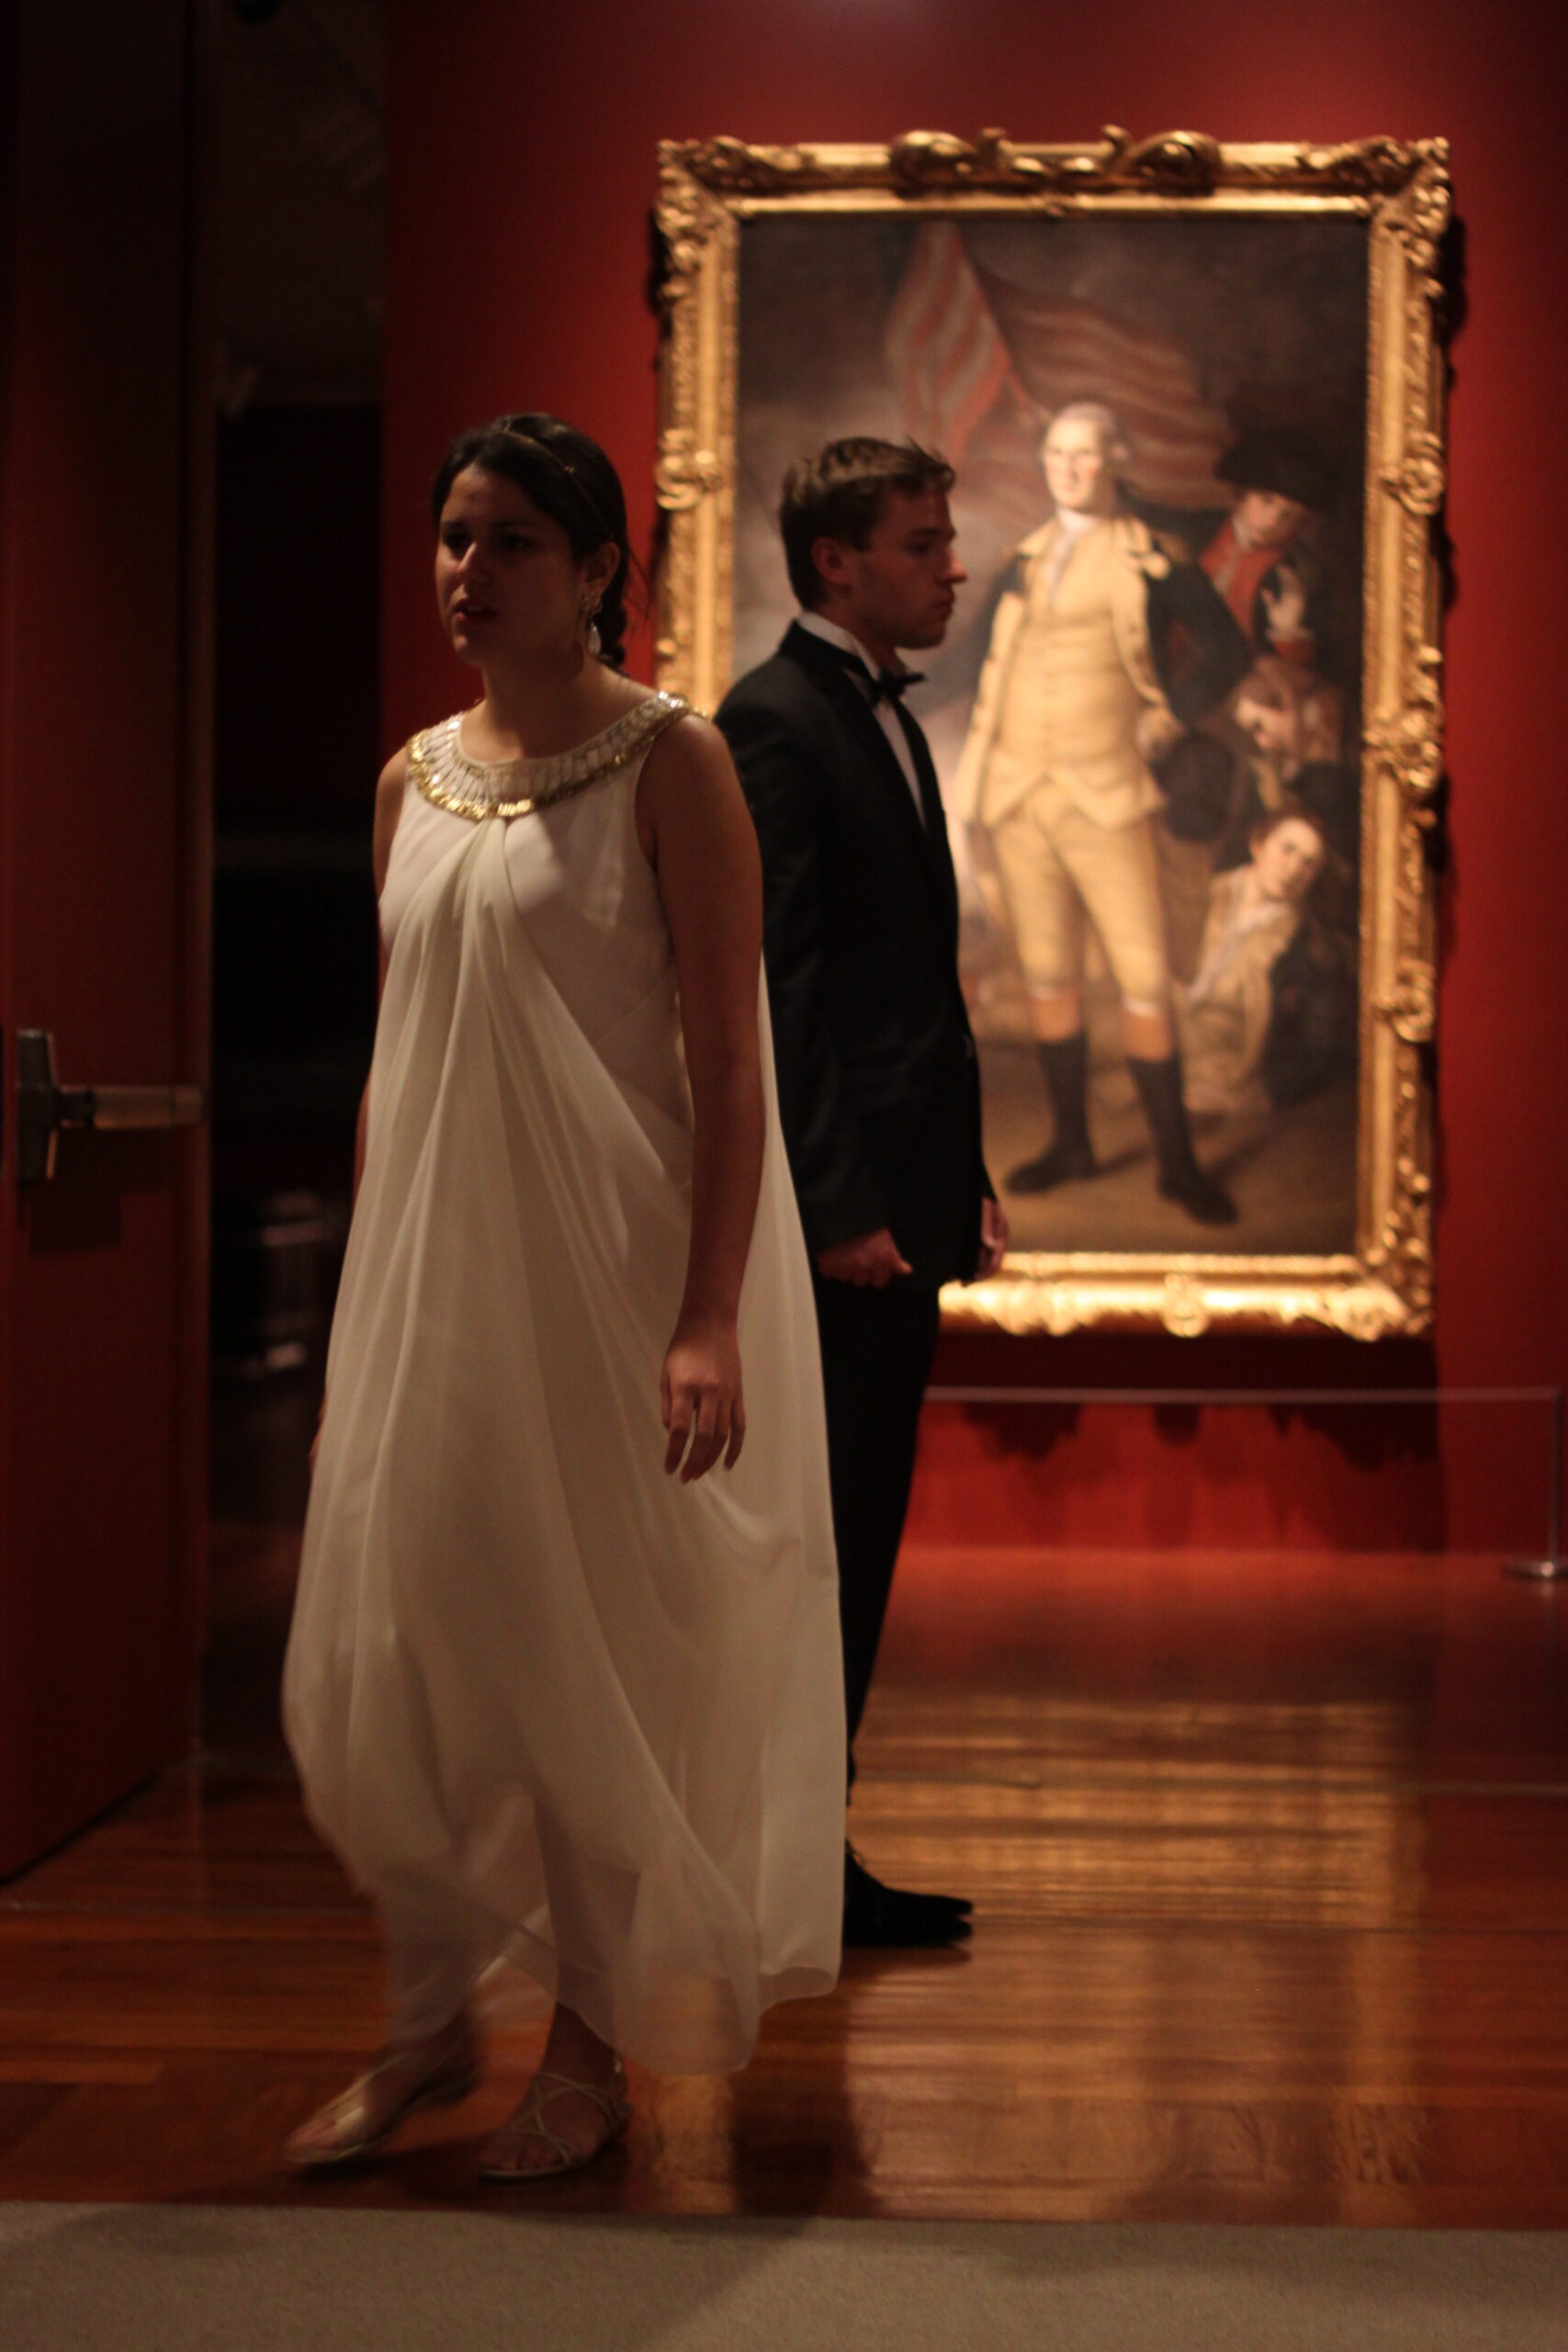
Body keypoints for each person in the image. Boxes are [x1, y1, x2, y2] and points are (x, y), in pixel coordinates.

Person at [281, 414, 844, 2181]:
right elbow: (404, 1059)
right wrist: (375, 1275)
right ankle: (429, 2018)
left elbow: (725, 1062)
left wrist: (703, 1314)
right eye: (454, 536)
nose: (468, 569)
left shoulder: (667, 761)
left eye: (513, 539)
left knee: (590, 1647)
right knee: (412, 1654)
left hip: (610, 1274)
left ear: (598, 569)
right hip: (438, 1278)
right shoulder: (410, 777)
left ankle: (586, 2050)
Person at [716, 437, 1006, 1949]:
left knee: (861, 1528)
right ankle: (778, 1861)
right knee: (817, 1538)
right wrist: (835, 1207)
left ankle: (806, 1854)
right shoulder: (775, 718)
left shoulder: (866, 713)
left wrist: (959, 1176)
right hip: (836, 1232)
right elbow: (783, 986)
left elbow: (907, 994)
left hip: (895, 1200)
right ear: (837, 562)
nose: (949, 563)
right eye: (921, 541)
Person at [953, 401, 1250, 1222]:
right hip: (1016, 797)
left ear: (1114, 462)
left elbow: (1228, 652)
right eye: (1057, 453)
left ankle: (1178, 1165)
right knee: (1046, 975)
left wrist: (1168, 716)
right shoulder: (1020, 562)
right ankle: (1072, 1143)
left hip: (1109, 796)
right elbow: (971, 667)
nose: (1069, 469)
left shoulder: (1153, 561)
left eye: (1085, 455)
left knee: (1142, 977)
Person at [1131, 424, 1336, 672]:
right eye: (1266, 501)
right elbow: (1146, 514)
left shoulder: (1304, 575)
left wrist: (1287, 631)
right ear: (1242, 494)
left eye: (1288, 515)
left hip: (1239, 686)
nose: (1272, 521)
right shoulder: (1197, 529)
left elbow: (1310, 670)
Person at [1179, 805, 1330, 1116]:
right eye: (1287, 850)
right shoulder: (1207, 891)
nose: (1294, 868)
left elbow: (1302, 1045)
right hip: (1171, 1014)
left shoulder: (1301, 942)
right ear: (1257, 845)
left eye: (1308, 863)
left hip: (1224, 1055)